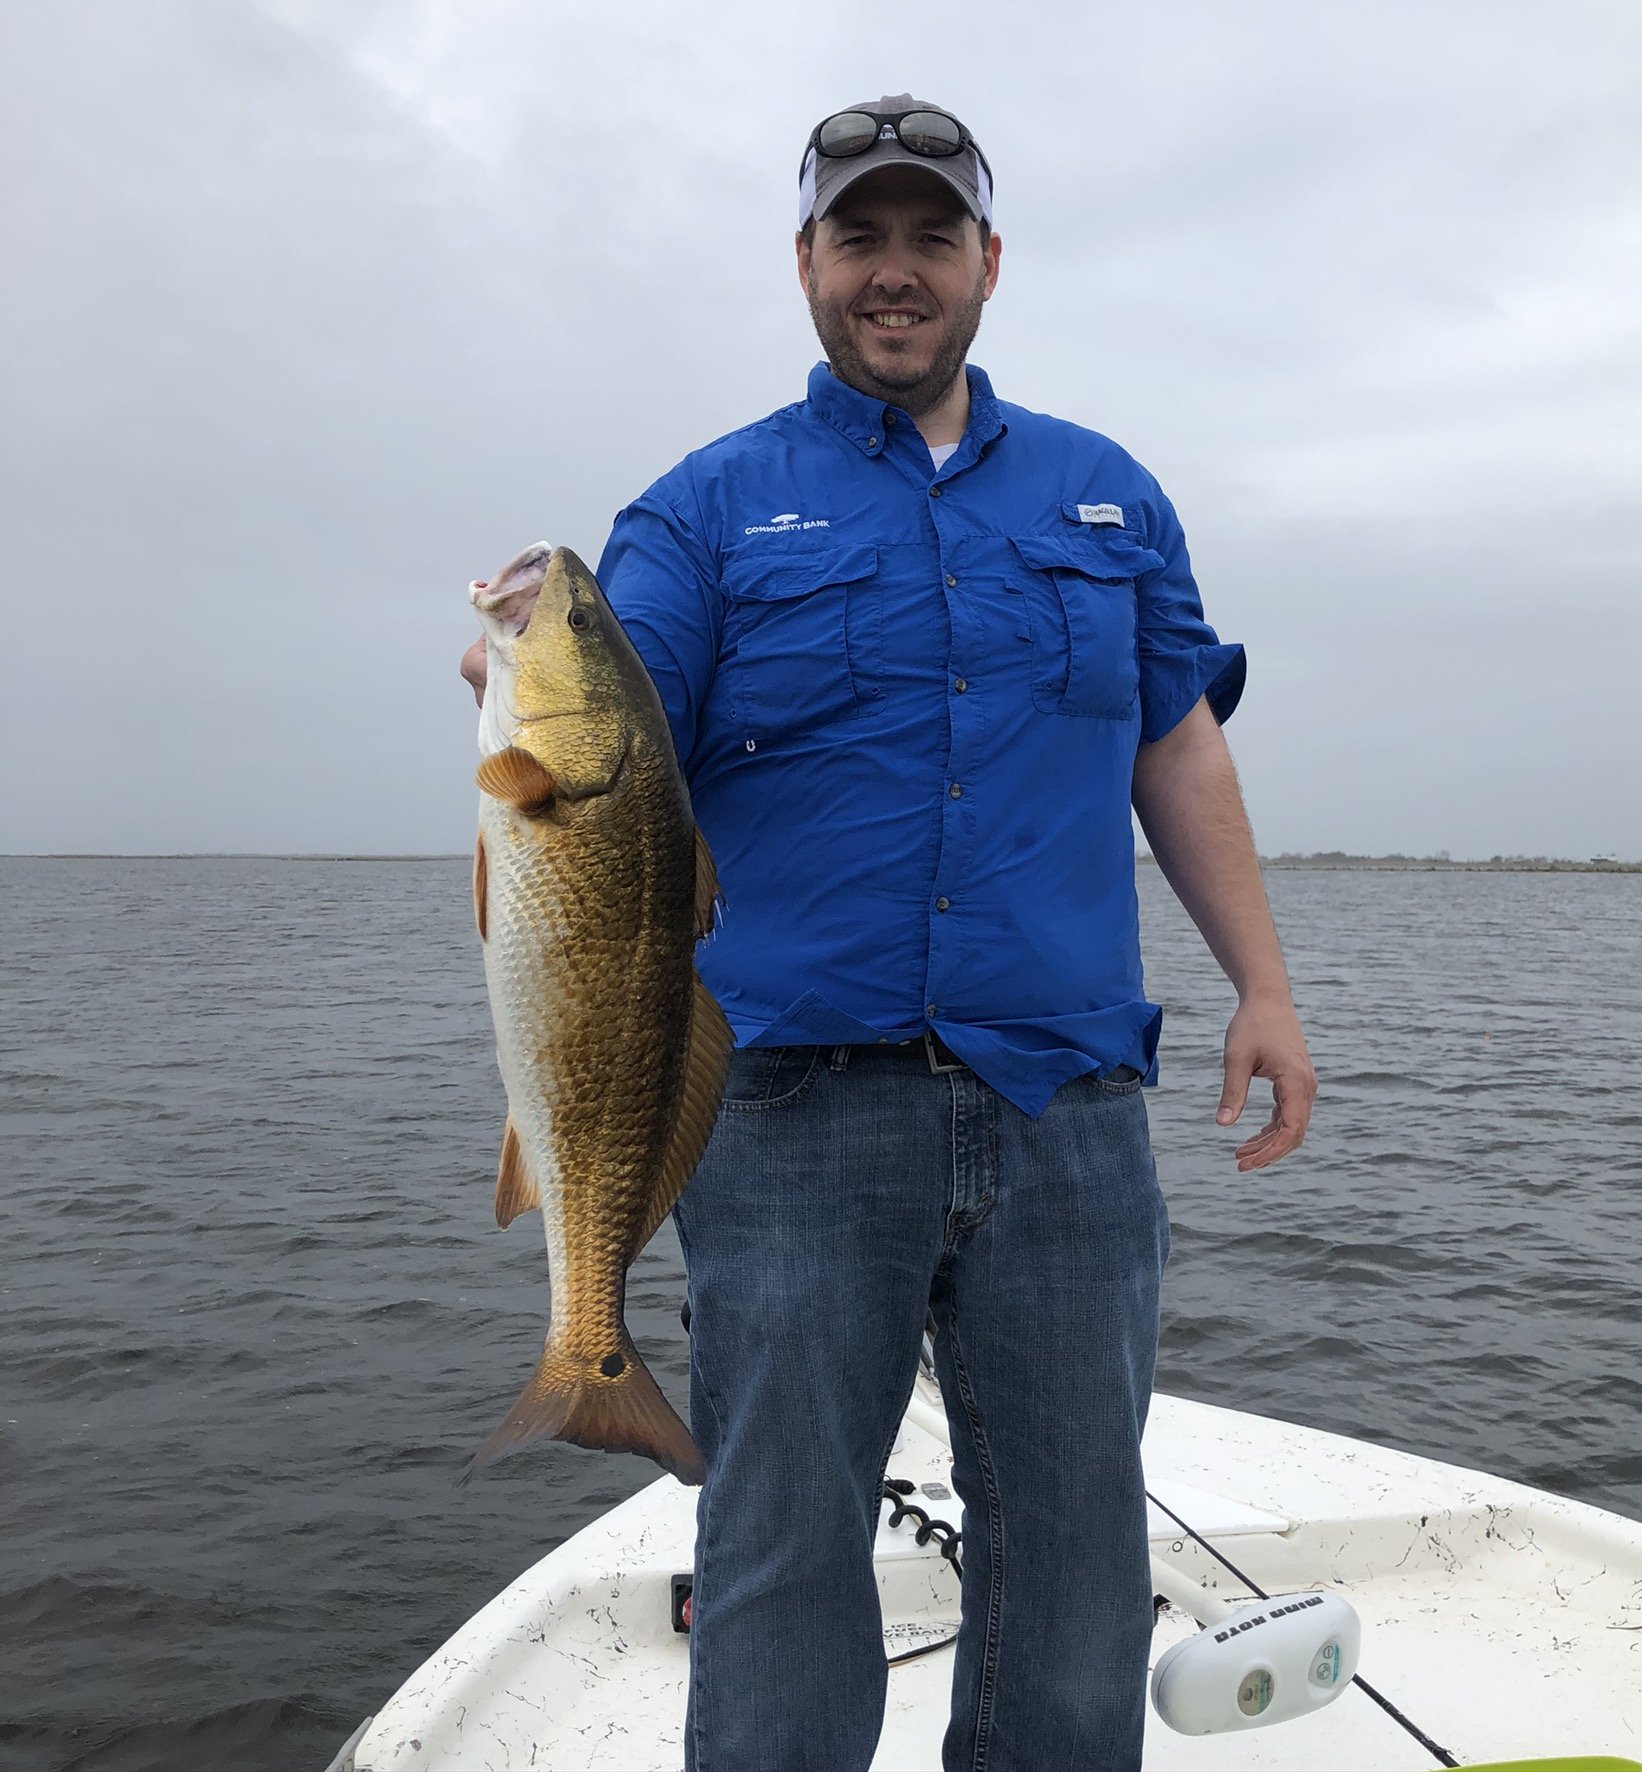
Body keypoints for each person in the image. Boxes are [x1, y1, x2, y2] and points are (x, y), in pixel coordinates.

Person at [462, 94, 1316, 1772]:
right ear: (806, 263)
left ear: (990, 262)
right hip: (784, 1117)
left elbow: (1175, 737)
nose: (896, 273)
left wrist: (1265, 988)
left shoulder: (1105, 497)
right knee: (779, 1559)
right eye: (862, 238)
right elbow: (606, 756)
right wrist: (512, 692)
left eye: (933, 237)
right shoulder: (703, 512)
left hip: (1064, 1109)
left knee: (1075, 1560)